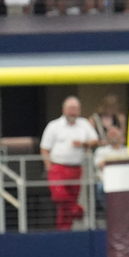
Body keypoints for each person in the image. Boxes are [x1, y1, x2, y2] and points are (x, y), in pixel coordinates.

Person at [40, 96, 98, 230]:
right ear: (64, 109)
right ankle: (78, 210)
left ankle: (64, 230)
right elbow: (44, 148)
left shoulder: (84, 124)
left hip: (76, 168)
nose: (73, 111)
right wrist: (49, 166)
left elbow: (95, 140)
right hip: (58, 167)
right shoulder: (54, 126)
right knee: (59, 195)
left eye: (76, 108)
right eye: (70, 108)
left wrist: (83, 144)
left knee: (65, 207)